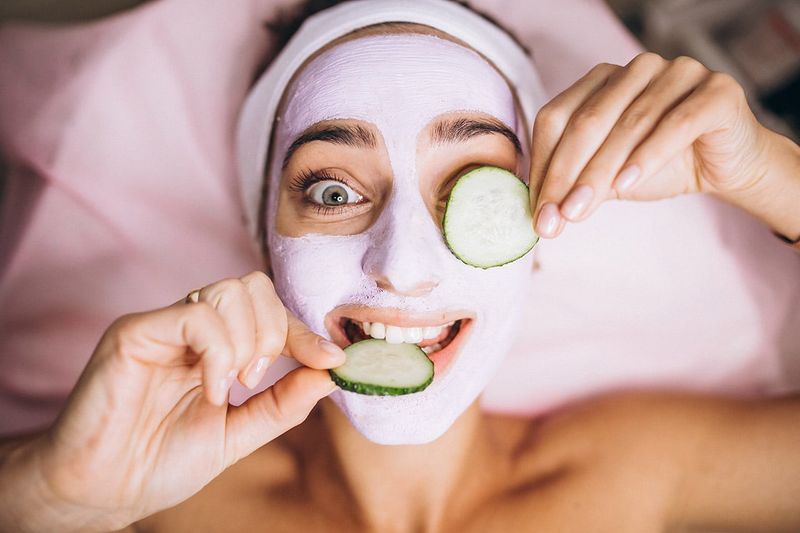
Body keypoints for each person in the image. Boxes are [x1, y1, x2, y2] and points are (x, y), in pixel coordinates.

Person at [0, 0, 798, 531]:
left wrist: (768, 173)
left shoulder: (634, 467)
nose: (403, 265)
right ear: (262, 242)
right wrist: (43, 490)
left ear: (537, 241)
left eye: (473, 190)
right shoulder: (163, 494)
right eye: (334, 189)